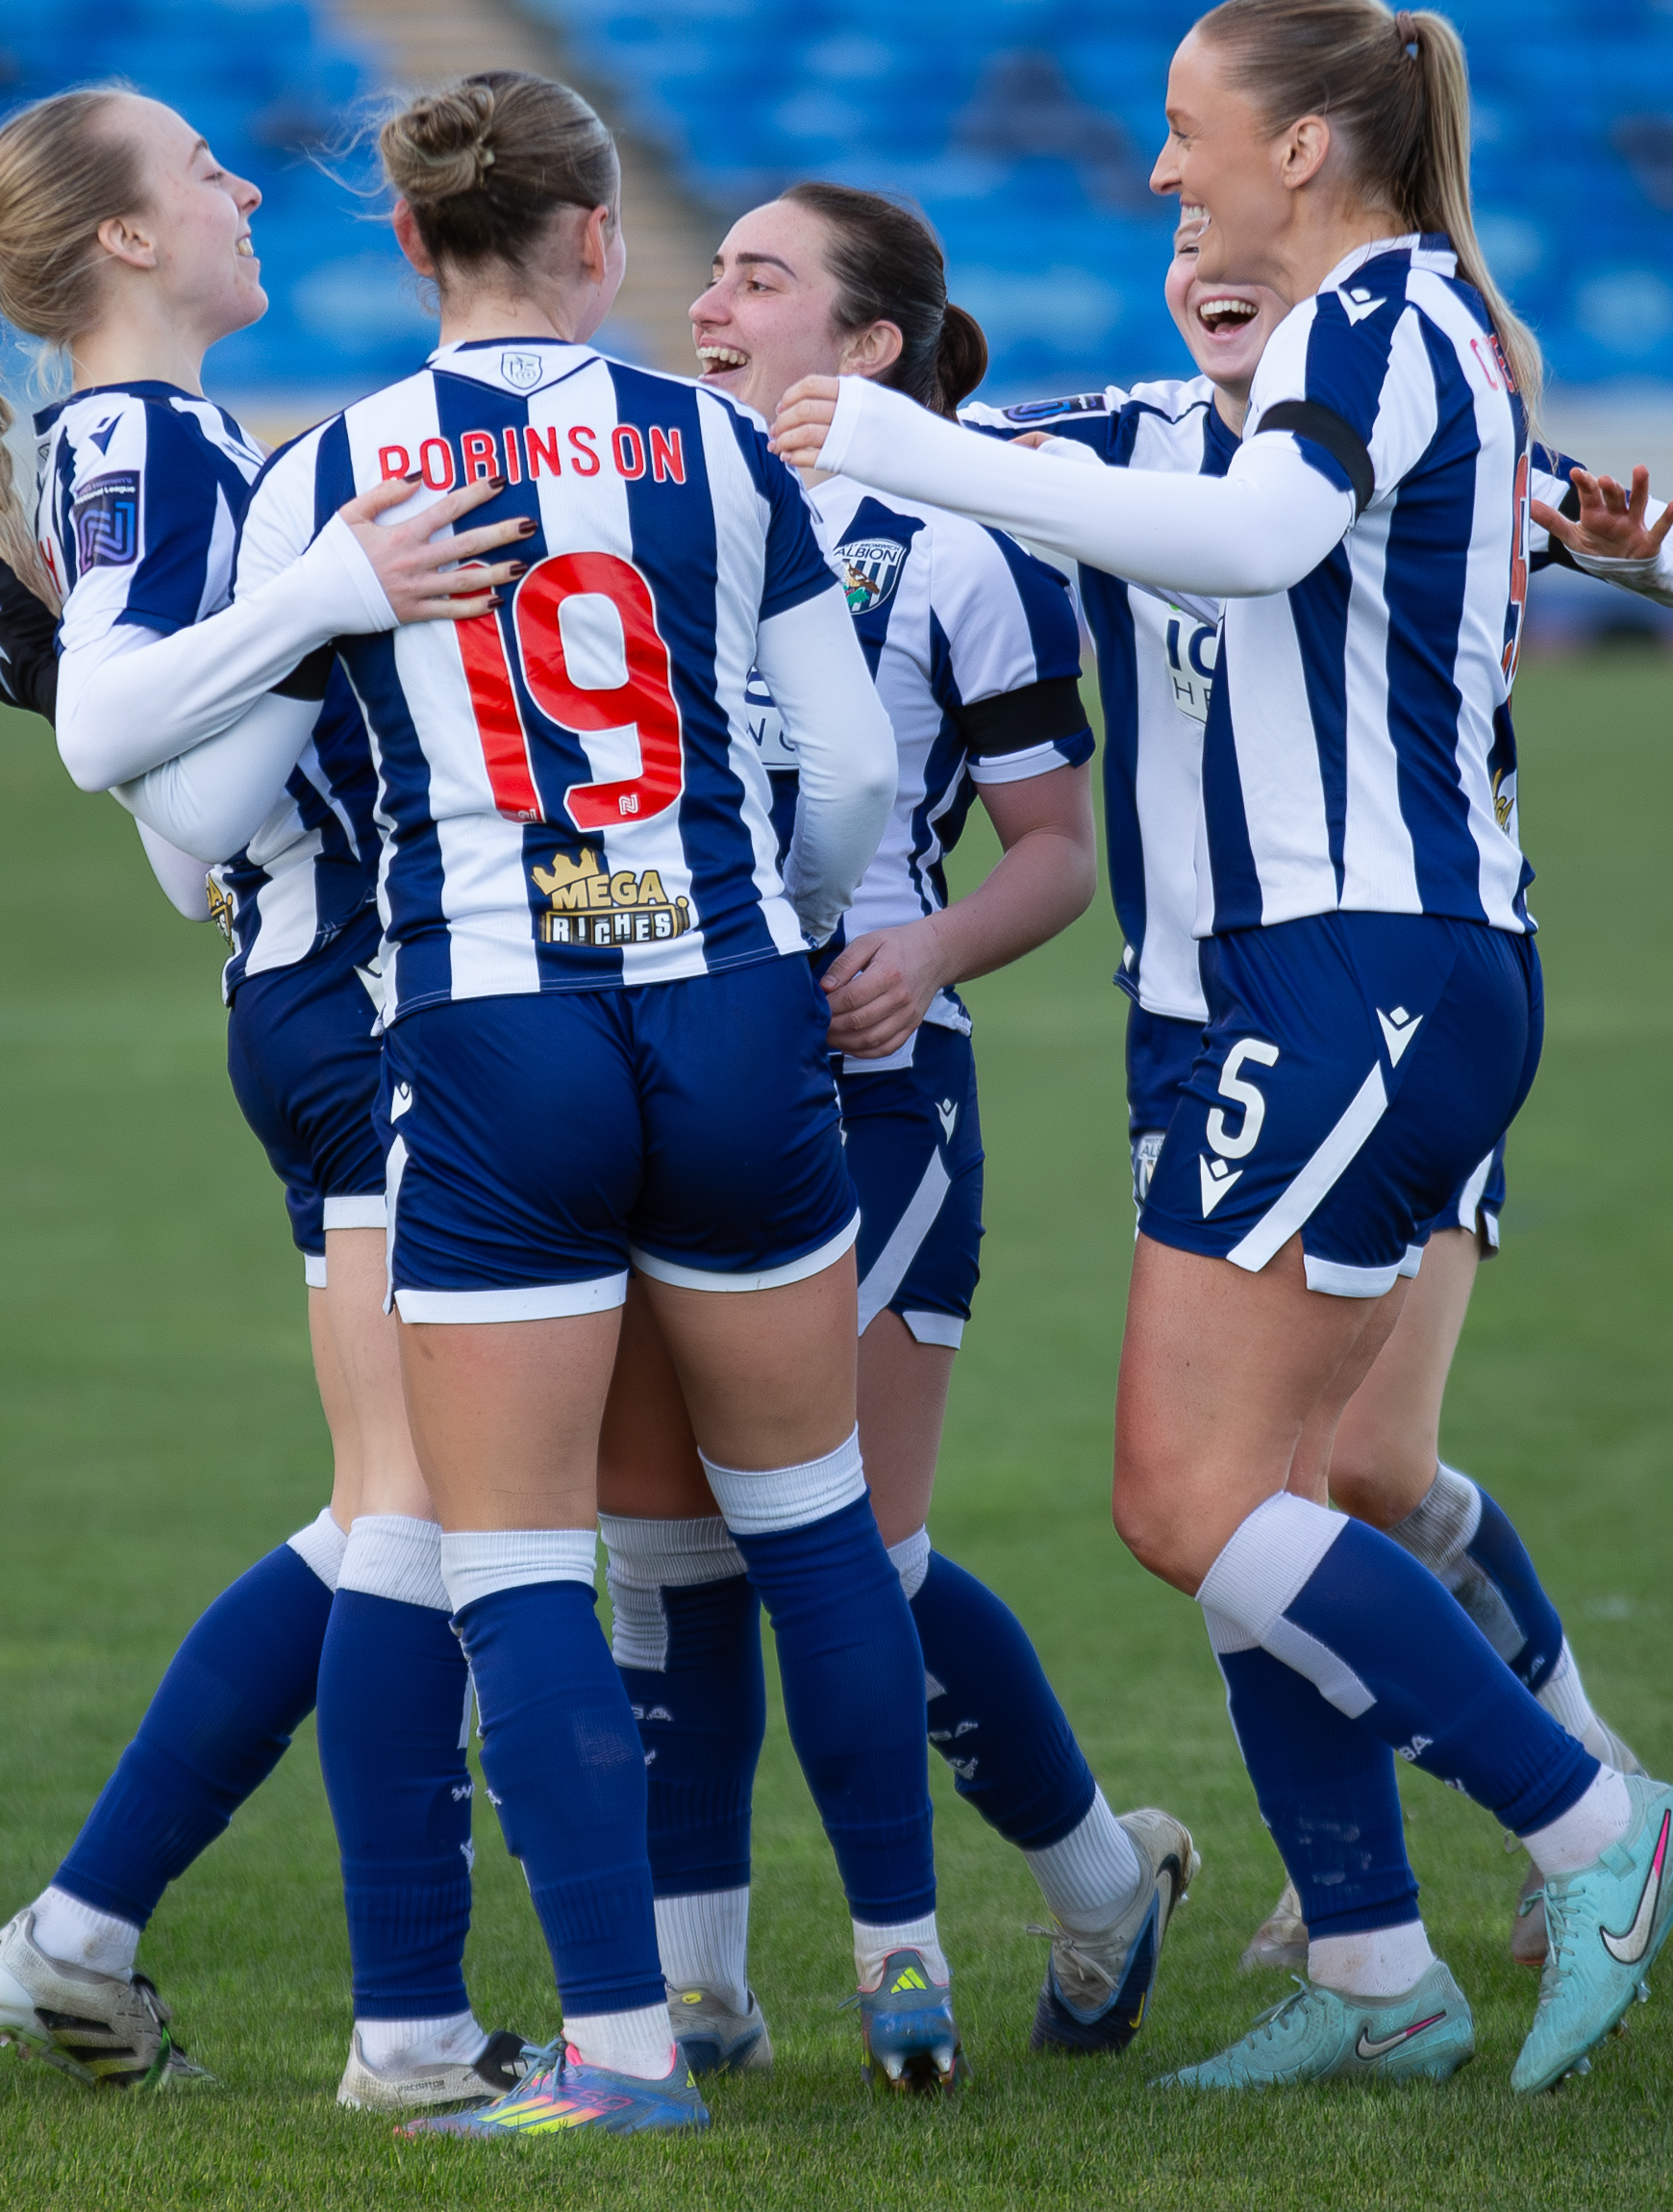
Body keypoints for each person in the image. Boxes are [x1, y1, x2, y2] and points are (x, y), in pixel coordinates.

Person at [778, 0, 1673, 2096]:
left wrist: (905, 433)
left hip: (1352, 965)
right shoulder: (1293, 359)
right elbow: (1099, 494)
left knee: (1192, 1493)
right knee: (1268, 1487)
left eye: (1188, 125)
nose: (1157, 169)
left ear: (1305, 149)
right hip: (1266, 994)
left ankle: (1597, 1822)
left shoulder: (1387, 321)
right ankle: (1375, 1968)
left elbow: (1265, 537)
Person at [228, 70, 941, 2140]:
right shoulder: (719, 440)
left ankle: (622, 2057)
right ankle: (902, 1961)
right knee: (813, 1522)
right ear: (597, 238)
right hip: (727, 1008)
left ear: (409, 249)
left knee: (517, 1566)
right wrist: (782, 927)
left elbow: (204, 814)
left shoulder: (334, 471)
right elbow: (862, 775)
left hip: (491, 1033)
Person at [987, 213, 1673, 1978]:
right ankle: (1378, 1915)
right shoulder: (1122, 441)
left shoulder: (1422, 403)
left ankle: (1571, 1796)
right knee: (1314, 1472)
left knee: (1333, 1468)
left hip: (1380, 997)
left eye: (1243, 248)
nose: (1207, 264)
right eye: (1181, 244)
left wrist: (1637, 551)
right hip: (1223, 1014)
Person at [0, 83, 548, 2113]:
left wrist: (232, 645)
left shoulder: (140, 446)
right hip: (366, 1010)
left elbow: (179, 830)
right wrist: (335, 600)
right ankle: (415, 2043)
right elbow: (163, 774)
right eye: (201, 170)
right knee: (429, 1524)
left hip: (298, 1005)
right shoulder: (158, 439)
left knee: (390, 1514)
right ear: (122, 244)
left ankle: (85, 1940)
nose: (247, 186)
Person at [590, 181, 1200, 2078]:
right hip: (668, 1054)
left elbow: (1053, 861)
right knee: (667, 1544)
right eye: (708, 274)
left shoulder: (959, 538)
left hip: (868, 1081)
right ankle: (700, 1992)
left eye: (757, 279)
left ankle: (1092, 1886)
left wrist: (916, 947)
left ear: (866, 348)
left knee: (849, 1543)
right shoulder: (649, 493)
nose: (710, 303)